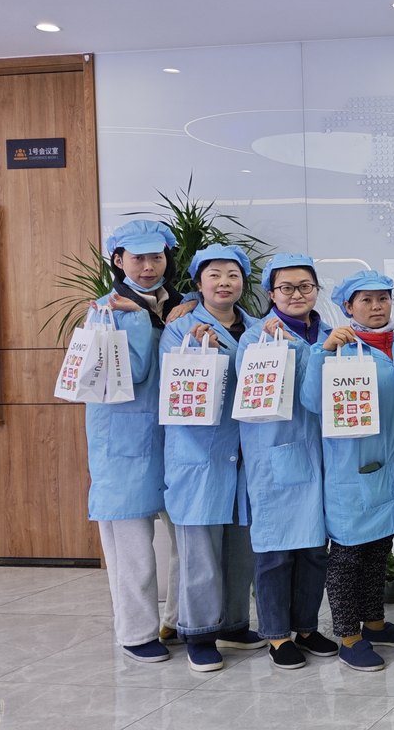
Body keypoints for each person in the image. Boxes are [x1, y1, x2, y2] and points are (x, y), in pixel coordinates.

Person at [303, 269, 394, 672]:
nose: (376, 306)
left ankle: (374, 623)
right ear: (348, 307)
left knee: (379, 548)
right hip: (351, 469)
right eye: (365, 300)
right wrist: (324, 353)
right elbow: (312, 402)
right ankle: (348, 636)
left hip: (391, 466)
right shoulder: (336, 348)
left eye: (382, 298)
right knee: (348, 554)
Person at [86, 220, 189, 663]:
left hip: (177, 438)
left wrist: (180, 315)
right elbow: (129, 372)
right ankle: (135, 633)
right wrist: (146, 321)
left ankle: (181, 621)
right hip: (123, 443)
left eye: (156, 257)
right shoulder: (103, 311)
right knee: (131, 548)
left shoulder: (183, 306)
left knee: (190, 538)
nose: (149, 266)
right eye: (138, 258)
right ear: (118, 260)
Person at [160, 244, 262, 672]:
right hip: (198, 454)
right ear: (198, 283)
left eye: (232, 275)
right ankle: (198, 632)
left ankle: (234, 624)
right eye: (214, 275)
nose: (224, 283)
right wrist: (200, 351)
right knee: (199, 550)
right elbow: (174, 386)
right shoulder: (180, 329)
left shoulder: (259, 328)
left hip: (245, 454)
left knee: (240, 547)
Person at [235, 253, 339, 669]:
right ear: (271, 293)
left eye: (305, 287)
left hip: (323, 456)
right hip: (276, 454)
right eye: (286, 288)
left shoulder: (331, 334)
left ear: (316, 290)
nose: (297, 295)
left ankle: (307, 627)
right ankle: (277, 635)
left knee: (315, 549)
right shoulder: (255, 339)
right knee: (277, 552)